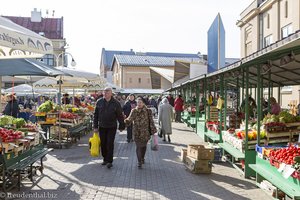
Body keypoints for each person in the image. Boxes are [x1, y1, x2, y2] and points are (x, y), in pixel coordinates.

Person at [93, 87, 125, 169]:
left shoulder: (116, 103)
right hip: (102, 126)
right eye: (104, 92)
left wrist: (122, 125)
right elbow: (95, 115)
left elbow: (120, 115)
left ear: (111, 93)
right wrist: (95, 126)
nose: (106, 93)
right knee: (103, 143)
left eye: (107, 92)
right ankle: (105, 159)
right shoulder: (99, 102)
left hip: (112, 126)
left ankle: (110, 161)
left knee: (110, 143)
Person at [125, 97, 157, 168]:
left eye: (140, 102)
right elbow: (130, 119)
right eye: (138, 102)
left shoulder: (148, 111)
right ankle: (139, 162)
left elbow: (151, 121)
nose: (139, 104)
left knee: (144, 146)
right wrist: (125, 121)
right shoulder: (134, 111)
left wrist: (153, 130)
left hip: (145, 132)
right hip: (136, 132)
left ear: (143, 103)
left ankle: (142, 158)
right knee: (138, 147)